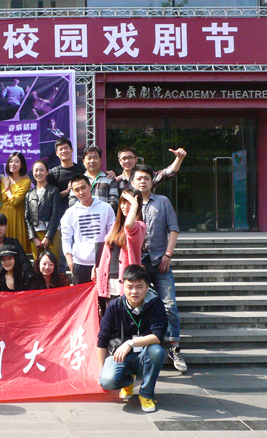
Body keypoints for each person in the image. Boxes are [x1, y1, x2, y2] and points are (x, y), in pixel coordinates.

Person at [131, 164, 187, 372]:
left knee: (169, 304)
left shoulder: (162, 201)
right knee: (137, 305)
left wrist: (168, 254)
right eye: (139, 178)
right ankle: (141, 348)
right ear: (132, 182)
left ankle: (174, 347)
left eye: (146, 178)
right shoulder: (129, 203)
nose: (142, 181)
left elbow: (173, 229)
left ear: (152, 181)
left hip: (160, 260)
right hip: (138, 262)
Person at [97, 264, 167, 413]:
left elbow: (158, 336)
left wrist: (131, 343)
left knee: (157, 351)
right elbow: (102, 338)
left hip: (144, 356)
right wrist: (101, 370)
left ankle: (146, 394)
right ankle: (128, 381)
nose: (134, 291)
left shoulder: (155, 304)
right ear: (123, 287)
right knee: (106, 381)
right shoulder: (115, 306)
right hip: (121, 357)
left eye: (139, 287)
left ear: (147, 287)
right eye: (130, 287)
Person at [93, 189, 146, 316]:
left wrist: (135, 205)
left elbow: (129, 226)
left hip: (126, 279)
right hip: (108, 278)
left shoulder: (139, 226)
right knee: (109, 316)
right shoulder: (115, 226)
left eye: (129, 203)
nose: (125, 206)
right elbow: (106, 251)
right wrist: (96, 267)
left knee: (125, 317)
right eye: (123, 202)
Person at [61, 174, 115, 285]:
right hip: (79, 263)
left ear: (90, 186)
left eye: (83, 187)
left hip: (102, 261)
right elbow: (66, 238)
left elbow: (112, 234)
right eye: (77, 190)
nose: (81, 192)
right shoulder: (70, 213)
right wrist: (70, 262)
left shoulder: (106, 208)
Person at [25, 160, 61, 261]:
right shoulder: (29, 194)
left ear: (47, 172)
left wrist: (48, 236)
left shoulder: (54, 190)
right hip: (36, 234)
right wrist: (33, 238)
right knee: (38, 264)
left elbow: (56, 215)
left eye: (42, 170)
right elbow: (27, 218)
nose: (38, 173)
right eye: (36, 170)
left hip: (53, 233)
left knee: (52, 263)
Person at [114, 146, 187, 196]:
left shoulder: (148, 176)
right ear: (120, 161)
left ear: (136, 159)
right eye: (124, 158)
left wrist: (179, 158)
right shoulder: (116, 181)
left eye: (130, 157)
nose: (127, 161)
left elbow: (168, 173)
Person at [69, 145, 119, 212]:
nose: (92, 161)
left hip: (104, 216)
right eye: (89, 158)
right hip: (83, 216)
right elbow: (72, 201)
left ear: (100, 160)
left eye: (95, 158)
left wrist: (100, 213)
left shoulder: (110, 179)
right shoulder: (77, 181)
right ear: (83, 161)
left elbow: (114, 201)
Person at [0, 152, 31, 253]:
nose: (13, 164)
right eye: (11, 161)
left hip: (17, 216)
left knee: (17, 249)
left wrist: (7, 188)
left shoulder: (26, 181)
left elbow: (15, 201)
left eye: (16, 162)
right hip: (3, 216)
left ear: (22, 165)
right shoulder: (4, 180)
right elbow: (1, 200)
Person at [47, 137, 86, 216]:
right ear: (57, 153)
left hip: (82, 213)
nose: (64, 151)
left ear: (72, 150)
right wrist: (67, 191)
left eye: (66, 148)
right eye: (61, 149)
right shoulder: (53, 173)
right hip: (61, 215)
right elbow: (50, 198)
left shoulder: (82, 169)